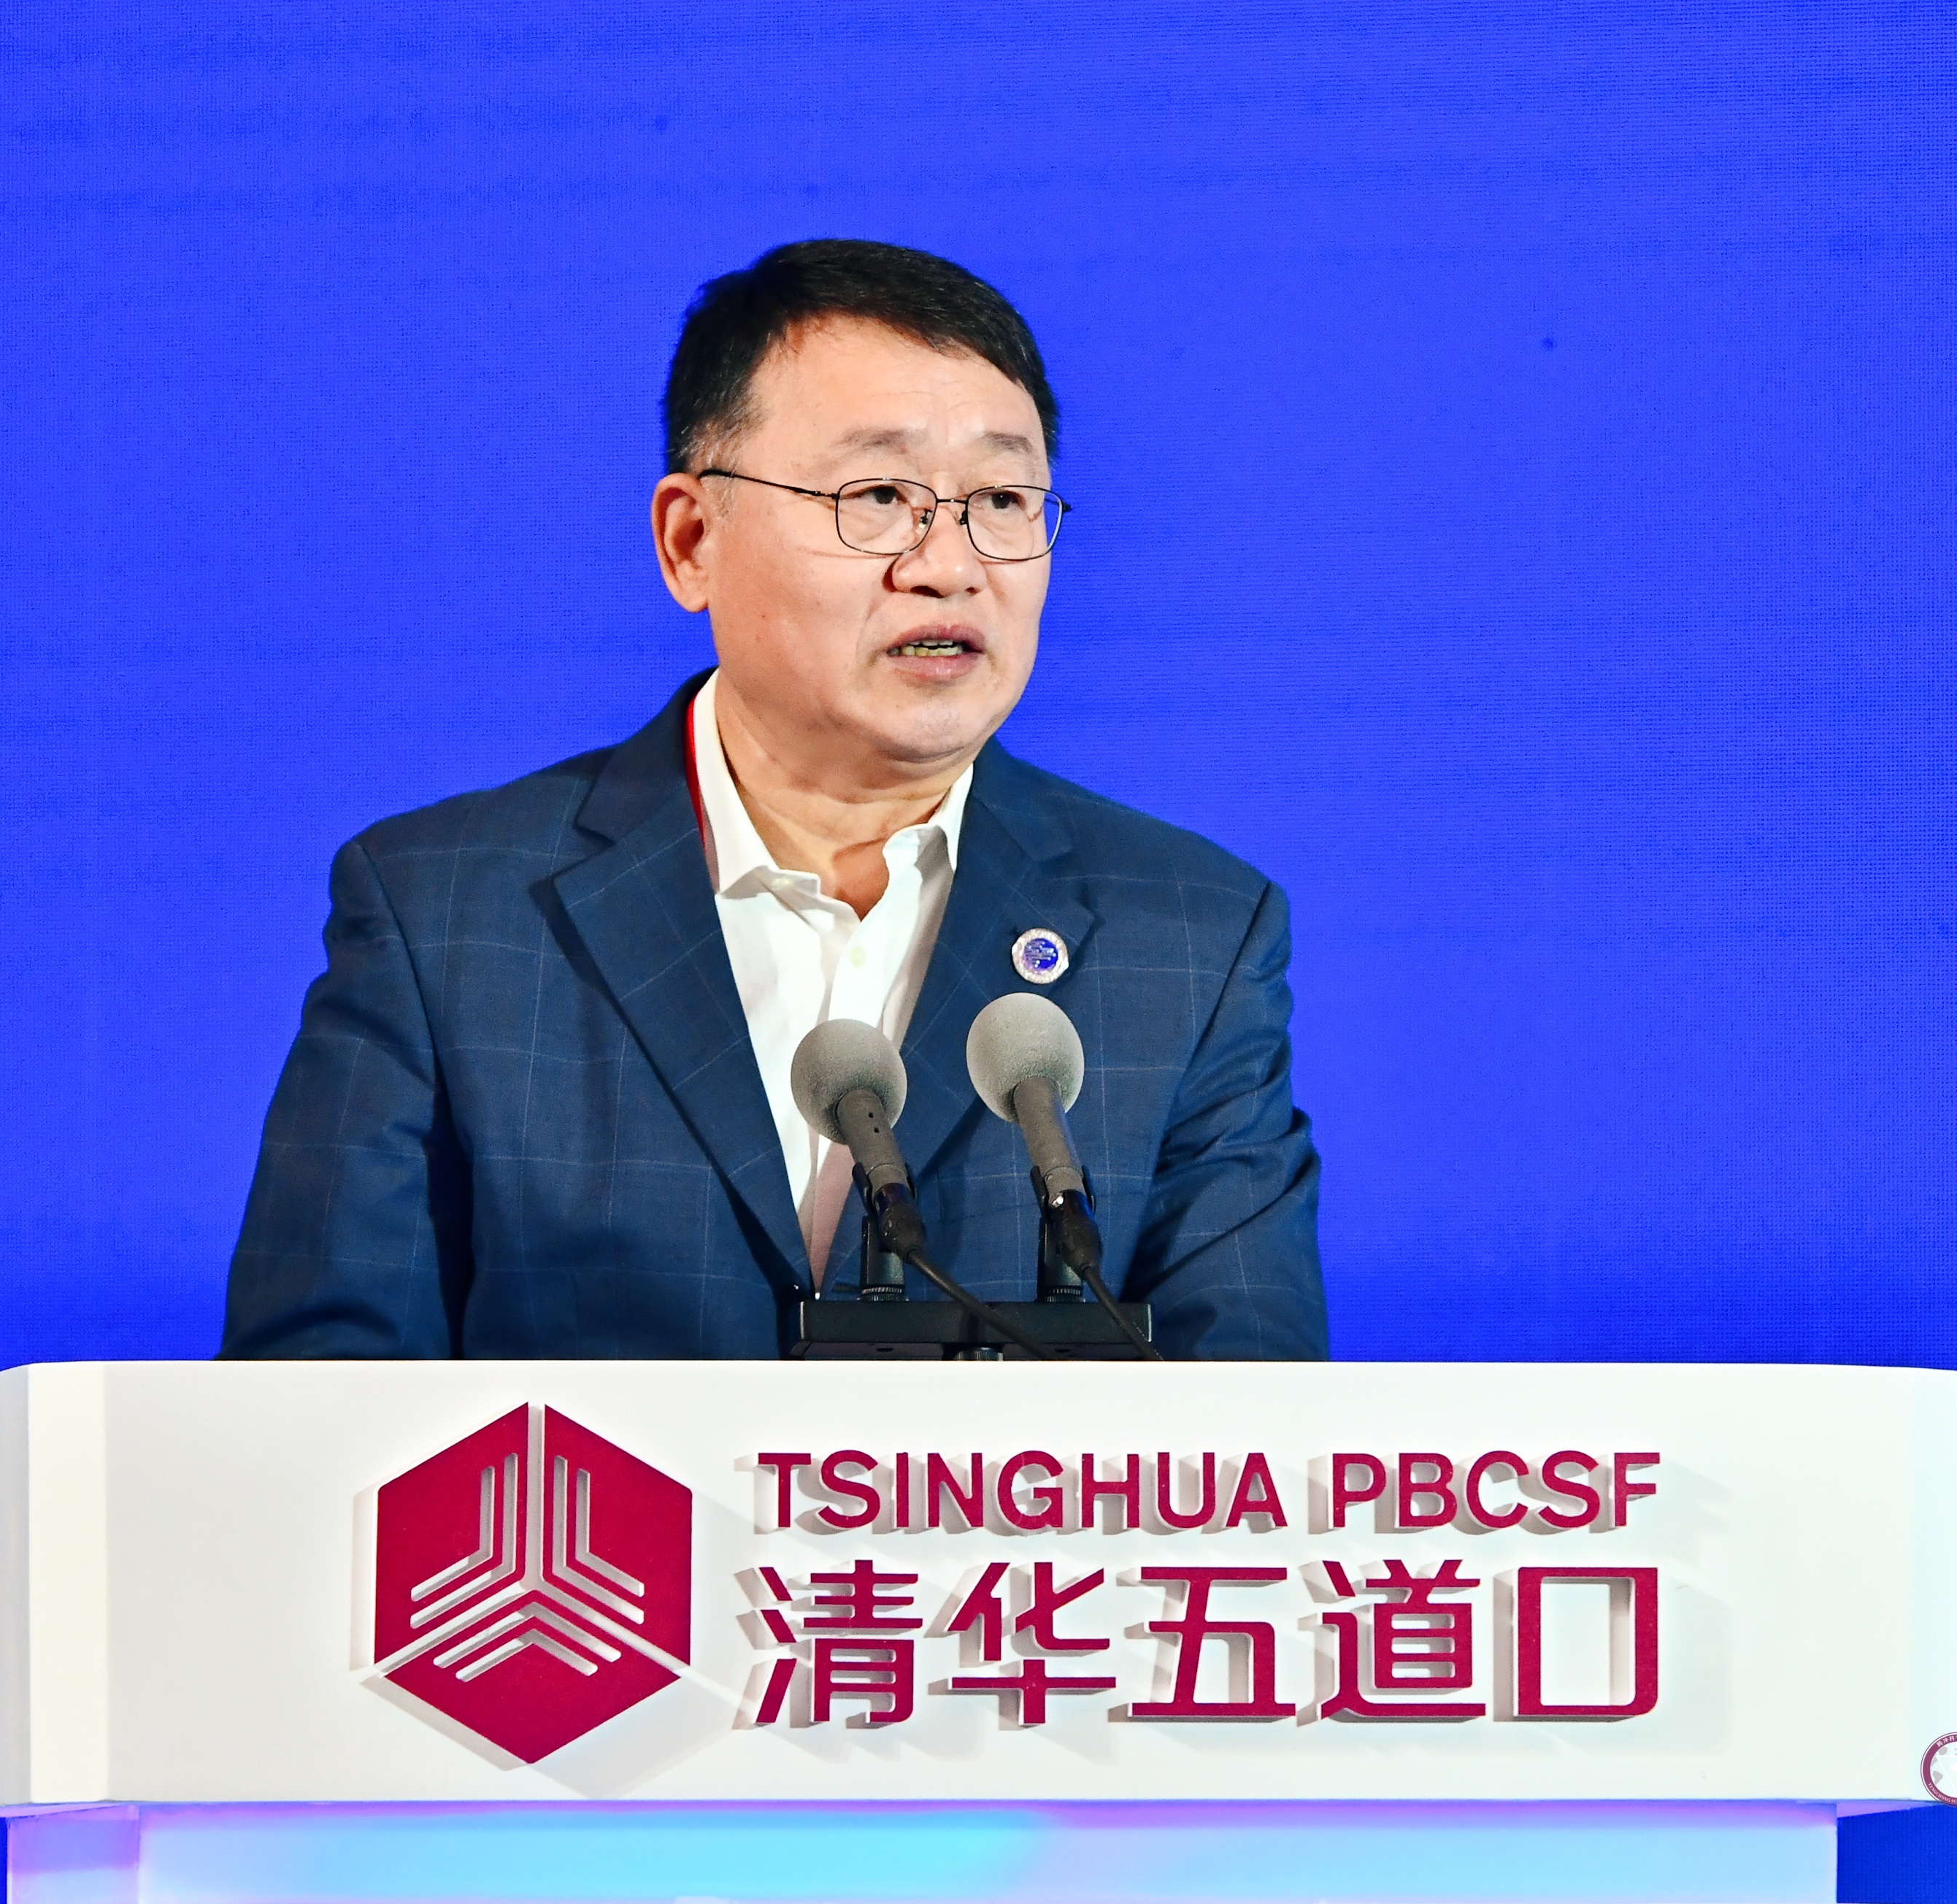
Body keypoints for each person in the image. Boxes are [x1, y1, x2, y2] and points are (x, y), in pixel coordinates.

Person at [220, 239, 1324, 1359]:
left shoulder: (1189, 938)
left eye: (1001, 498)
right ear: (691, 542)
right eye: (879, 495)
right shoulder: (450, 917)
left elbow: (1262, 1434)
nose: (949, 565)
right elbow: (307, 1407)